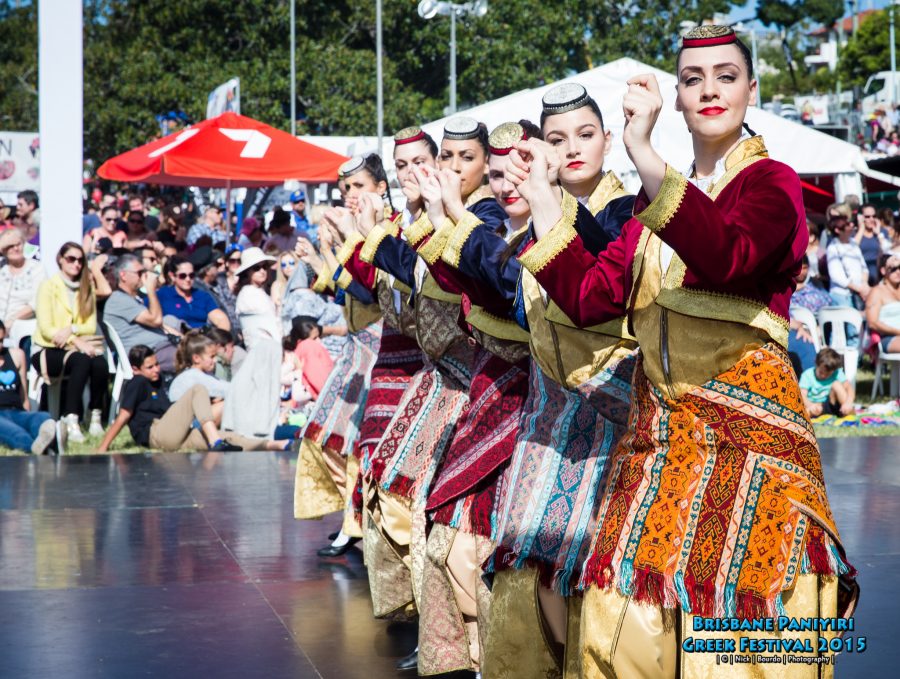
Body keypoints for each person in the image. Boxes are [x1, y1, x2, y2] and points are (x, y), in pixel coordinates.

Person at [515, 24, 854, 676]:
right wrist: (538, 198)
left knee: (738, 634)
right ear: (676, 94)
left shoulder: (773, 185)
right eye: (694, 77)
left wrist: (643, 152)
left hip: (749, 442)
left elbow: (727, 256)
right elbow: (590, 296)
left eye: (725, 76)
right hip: (658, 441)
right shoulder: (654, 198)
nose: (709, 89)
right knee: (617, 626)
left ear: (751, 90)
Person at [97, 344, 275, 453]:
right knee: (198, 389)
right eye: (150, 367)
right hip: (156, 433)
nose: (156, 370)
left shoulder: (158, 382)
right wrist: (103, 447)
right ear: (136, 369)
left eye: (157, 364)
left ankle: (276, 444)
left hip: (174, 436)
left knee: (229, 437)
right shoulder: (137, 382)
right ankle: (215, 441)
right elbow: (124, 416)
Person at [31, 242, 110, 442]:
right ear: (61, 259)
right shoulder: (48, 286)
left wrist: (71, 330)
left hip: (76, 345)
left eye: (80, 260)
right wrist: (76, 340)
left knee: (99, 362)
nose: (76, 264)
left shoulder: (86, 288)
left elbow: (90, 326)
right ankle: (71, 418)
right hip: (47, 348)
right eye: (71, 259)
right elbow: (47, 329)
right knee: (81, 361)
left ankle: (95, 415)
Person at [103, 253, 179, 373]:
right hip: (147, 356)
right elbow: (156, 320)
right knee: (194, 357)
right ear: (123, 275)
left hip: (160, 348)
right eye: (139, 273)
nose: (144, 276)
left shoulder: (132, 298)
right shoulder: (118, 299)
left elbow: (159, 324)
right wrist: (150, 289)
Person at [0, 320, 62, 455]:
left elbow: (24, 395)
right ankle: (42, 448)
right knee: (17, 433)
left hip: (16, 411)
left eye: (1, 340)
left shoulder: (16, 355)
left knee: (42, 417)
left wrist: (27, 411)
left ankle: (49, 440)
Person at [157, 256, 231, 331]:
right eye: (183, 276)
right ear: (172, 276)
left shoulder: (202, 295)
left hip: (202, 338)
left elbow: (221, 319)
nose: (188, 279)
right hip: (176, 338)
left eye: (191, 275)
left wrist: (222, 336)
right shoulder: (163, 295)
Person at [0, 229, 45, 344]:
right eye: (10, 246)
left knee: (26, 334)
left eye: (18, 244)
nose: (16, 248)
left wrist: (11, 321)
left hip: (22, 321)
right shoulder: (1, 266)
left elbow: (36, 303)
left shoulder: (37, 268)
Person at [233, 247, 281, 349]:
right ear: (247, 272)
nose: (262, 271)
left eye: (264, 266)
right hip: (267, 349)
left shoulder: (257, 292)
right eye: (256, 268)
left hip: (264, 349)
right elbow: (271, 325)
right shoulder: (249, 295)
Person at [284, 316, 334, 399]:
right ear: (300, 340)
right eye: (314, 338)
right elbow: (317, 378)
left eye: (319, 337)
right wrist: (330, 397)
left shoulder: (302, 349)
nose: (319, 341)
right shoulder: (308, 346)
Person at [826, 213, 869, 309]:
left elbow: (863, 266)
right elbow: (836, 276)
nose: (851, 225)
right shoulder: (833, 248)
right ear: (837, 230)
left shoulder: (853, 243)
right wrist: (859, 289)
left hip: (860, 293)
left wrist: (864, 284)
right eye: (847, 225)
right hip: (842, 296)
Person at [800, 347, 854, 416]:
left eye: (827, 374)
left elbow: (848, 387)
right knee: (803, 413)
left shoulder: (837, 372)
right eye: (821, 372)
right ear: (816, 363)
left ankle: (848, 411)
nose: (823, 376)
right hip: (814, 405)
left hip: (832, 402)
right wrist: (810, 405)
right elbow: (802, 395)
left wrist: (848, 402)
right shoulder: (807, 375)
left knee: (836, 384)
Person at [865, 253, 900, 354]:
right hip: (889, 338)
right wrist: (898, 332)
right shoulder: (877, 292)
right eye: (893, 269)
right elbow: (873, 323)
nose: (898, 272)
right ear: (883, 271)